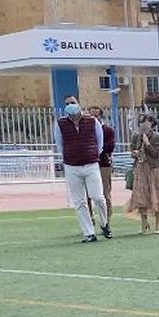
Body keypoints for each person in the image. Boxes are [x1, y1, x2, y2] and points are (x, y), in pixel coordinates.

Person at [52, 95, 110, 242]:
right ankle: (89, 232)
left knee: (98, 197)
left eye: (72, 103)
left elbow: (100, 141)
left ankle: (104, 224)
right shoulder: (60, 124)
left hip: (91, 164)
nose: (70, 105)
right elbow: (60, 145)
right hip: (72, 166)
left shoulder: (92, 121)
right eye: (67, 104)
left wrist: (92, 155)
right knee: (79, 201)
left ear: (78, 103)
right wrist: (69, 157)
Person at [127, 114, 159, 234]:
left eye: (146, 122)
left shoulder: (157, 137)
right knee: (140, 196)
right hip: (140, 168)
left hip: (153, 169)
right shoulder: (135, 136)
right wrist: (135, 152)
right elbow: (132, 151)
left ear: (152, 124)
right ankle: (144, 223)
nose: (143, 125)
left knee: (155, 195)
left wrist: (147, 143)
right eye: (141, 122)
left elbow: (156, 154)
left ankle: (158, 224)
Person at [87, 105, 116, 230]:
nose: (93, 118)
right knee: (86, 195)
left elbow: (109, 147)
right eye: (91, 115)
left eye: (96, 115)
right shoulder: (85, 131)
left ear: (100, 116)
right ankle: (89, 220)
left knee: (105, 194)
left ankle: (106, 221)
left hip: (103, 165)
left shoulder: (108, 130)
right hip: (87, 165)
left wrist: (95, 150)